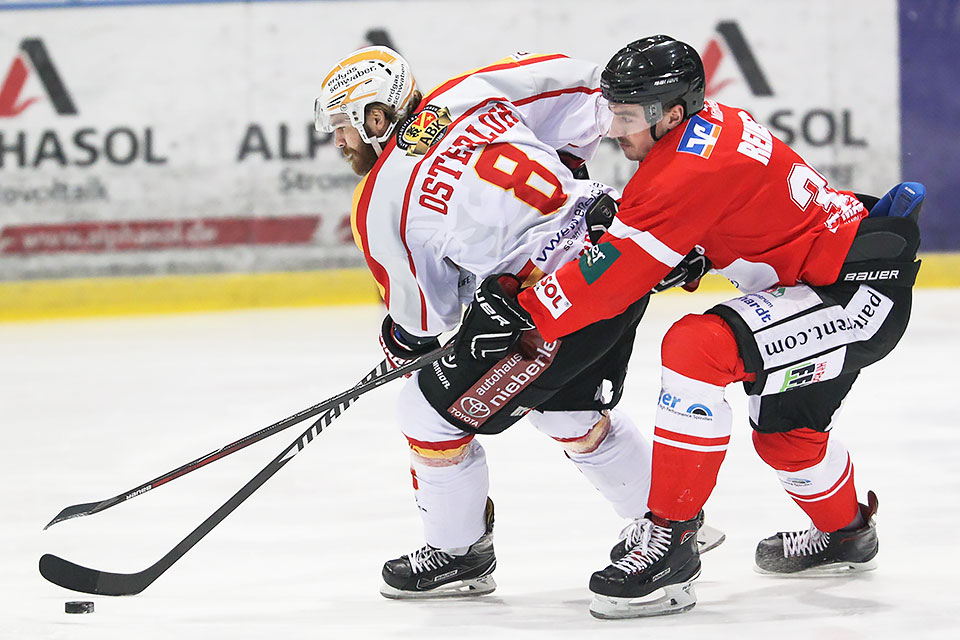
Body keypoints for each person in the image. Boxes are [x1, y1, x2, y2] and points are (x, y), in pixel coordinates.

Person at [460, 35, 923, 618]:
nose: (613, 129)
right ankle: (850, 534)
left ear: (671, 113)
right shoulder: (707, 129)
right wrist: (688, 248)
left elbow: (612, 279)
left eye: (627, 115)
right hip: (831, 275)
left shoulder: (684, 168)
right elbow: (744, 210)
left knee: (696, 347)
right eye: (612, 110)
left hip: (853, 293)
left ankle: (672, 545)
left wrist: (526, 314)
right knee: (787, 439)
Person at [313, 45, 724, 600]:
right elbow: (590, 91)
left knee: (425, 411)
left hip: (556, 306)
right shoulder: (472, 90)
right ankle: (671, 521)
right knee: (566, 409)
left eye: (343, 127)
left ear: (376, 117)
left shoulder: (380, 201)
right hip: (621, 249)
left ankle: (460, 555)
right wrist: (560, 191)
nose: (339, 143)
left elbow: (427, 322)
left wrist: (399, 346)